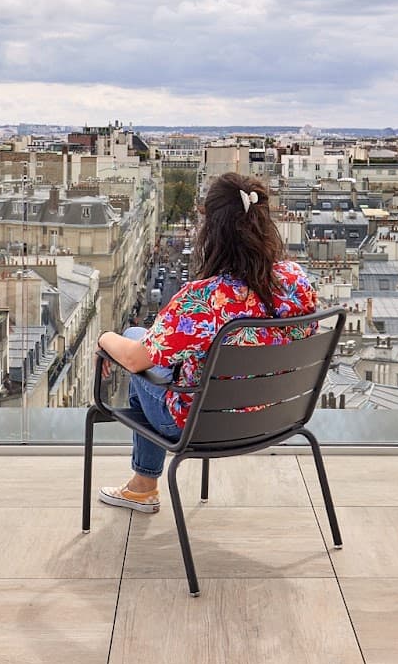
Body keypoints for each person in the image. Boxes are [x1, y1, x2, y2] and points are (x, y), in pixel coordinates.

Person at [95, 172, 318, 513]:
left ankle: (143, 486)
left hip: (202, 424)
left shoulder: (202, 301)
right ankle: (142, 486)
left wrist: (104, 338)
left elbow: (136, 361)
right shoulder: (296, 280)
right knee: (142, 344)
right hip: (277, 416)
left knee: (131, 348)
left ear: (211, 230)